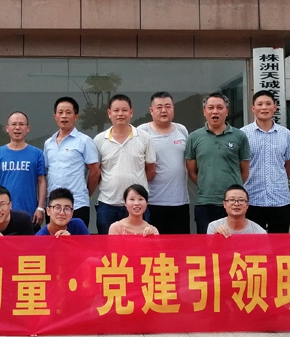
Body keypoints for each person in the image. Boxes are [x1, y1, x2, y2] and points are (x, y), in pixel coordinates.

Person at [186, 92, 250, 234]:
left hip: (233, 203)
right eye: (211, 108)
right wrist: (206, 184)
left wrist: (233, 189)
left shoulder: (240, 136)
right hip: (205, 202)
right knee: (207, 242)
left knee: (234, 242)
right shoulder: (194, 137)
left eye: (220, 107)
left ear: (227, 111)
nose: (215, 111)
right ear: (204, 111)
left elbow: (244, 171)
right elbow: (192, 171)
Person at [93, 94, 156, 235]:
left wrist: (135, 187)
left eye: (124, 110)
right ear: (109, 113)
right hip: (108, 204)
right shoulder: (99, 140)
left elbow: (151, 170)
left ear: (131, 112)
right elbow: (96, 171)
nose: (120, 114)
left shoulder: (144, 137)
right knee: (107, 246)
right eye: (116, 110)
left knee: (140, 246)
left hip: (136, 206)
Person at [241, 90, 290, 233]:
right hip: (252, 199)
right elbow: (239, 166)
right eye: (260, 104)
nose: (264, 107)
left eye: (268, 104)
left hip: (280, 199)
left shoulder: (285, 133)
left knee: (279, 243)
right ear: (253, 108)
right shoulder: (243, 134)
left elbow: (288, 167)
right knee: (253, 244)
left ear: (275, 107)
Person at [137, 91, 190, 234]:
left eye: (168, 106)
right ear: (151, 110)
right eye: (159, 107)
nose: (164, 110)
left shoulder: (182, 130)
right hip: (152, 201)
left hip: (180, 201)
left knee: (180, 244)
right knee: (154, 244)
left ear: (173, 108)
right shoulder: (142, 131)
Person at [44, 97, 100, 227]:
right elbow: (47, 171)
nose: (64, 116)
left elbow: (95, 172)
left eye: (68, 112)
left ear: (76, 117)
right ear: (55, 116)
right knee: (54, 239)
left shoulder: (84, 141)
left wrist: (86, 194)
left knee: (77, 239)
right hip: (53, 206)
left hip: (77, 204)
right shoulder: (48, 143)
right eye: (60, 112)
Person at [0, 111, 47, 228]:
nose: (17, 128)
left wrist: (40, 208)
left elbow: (42, 181)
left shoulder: (37, 154)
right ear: (7, 128)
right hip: (1, 213)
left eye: (21, 124)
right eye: (13, 124)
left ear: (28, 128)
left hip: (30, 212)